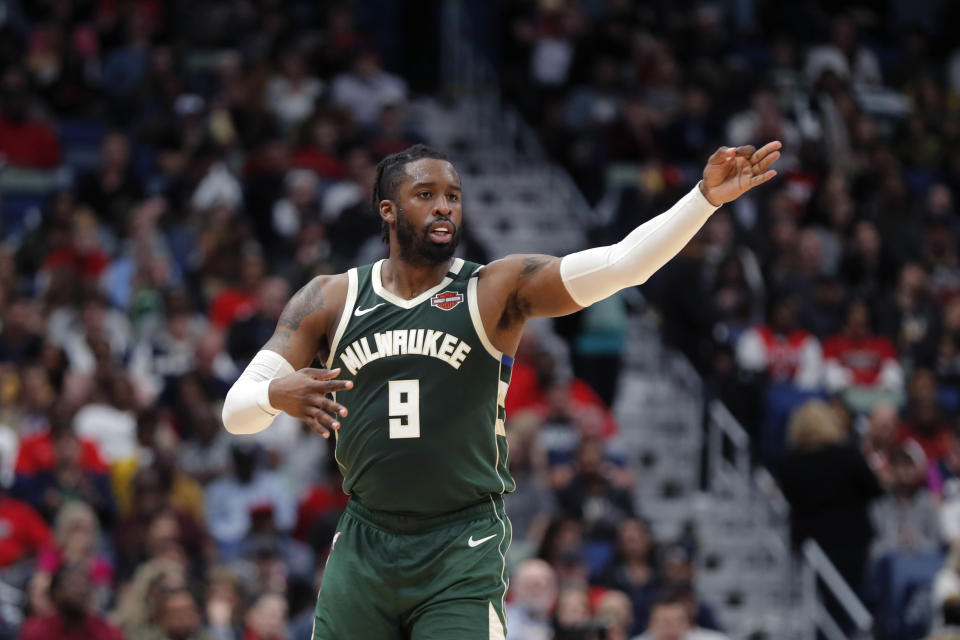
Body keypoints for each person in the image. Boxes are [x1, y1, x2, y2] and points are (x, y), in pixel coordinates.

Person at [220, 141, 781, 639]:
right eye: (426, 194)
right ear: (388, 210)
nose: (445, 206)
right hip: (364, 537)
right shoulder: (330, 298)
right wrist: (274, 395)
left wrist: (702, 200)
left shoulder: (495, 287)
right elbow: (235, 413)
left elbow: (622, 265)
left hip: (459, 542)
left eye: (454, 195)